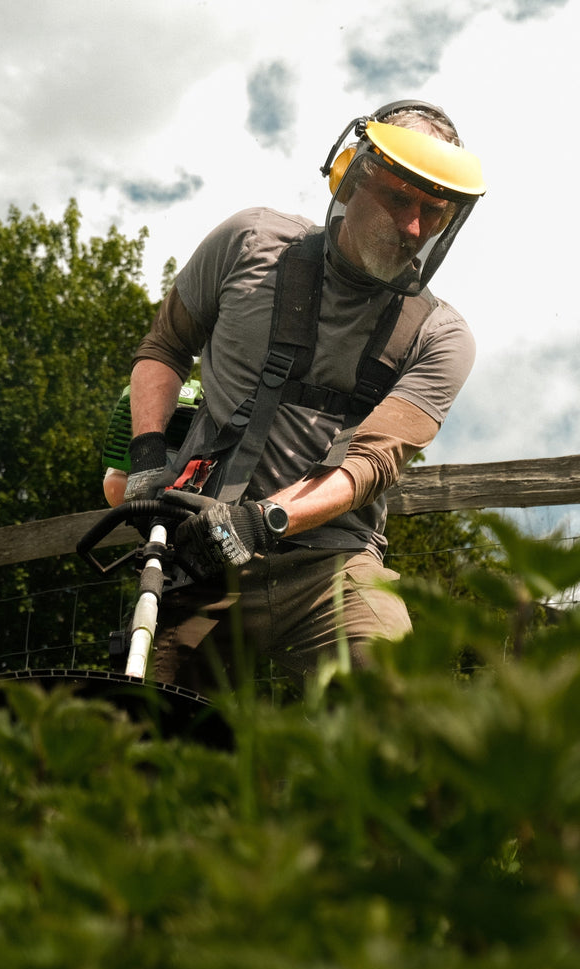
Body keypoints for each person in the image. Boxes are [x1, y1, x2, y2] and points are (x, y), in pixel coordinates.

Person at [118, 99, 486, 693]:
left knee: (389, 694)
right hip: (198, 553)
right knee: (158, 727)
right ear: (350, 176)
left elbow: (372, 463)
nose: (414, 228)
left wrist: (266, 520)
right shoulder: (247, 243)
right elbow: (163, 348)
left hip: (335, 565)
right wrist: (144, 459)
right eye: (399, 198)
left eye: (433, 212)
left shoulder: (440, 336)